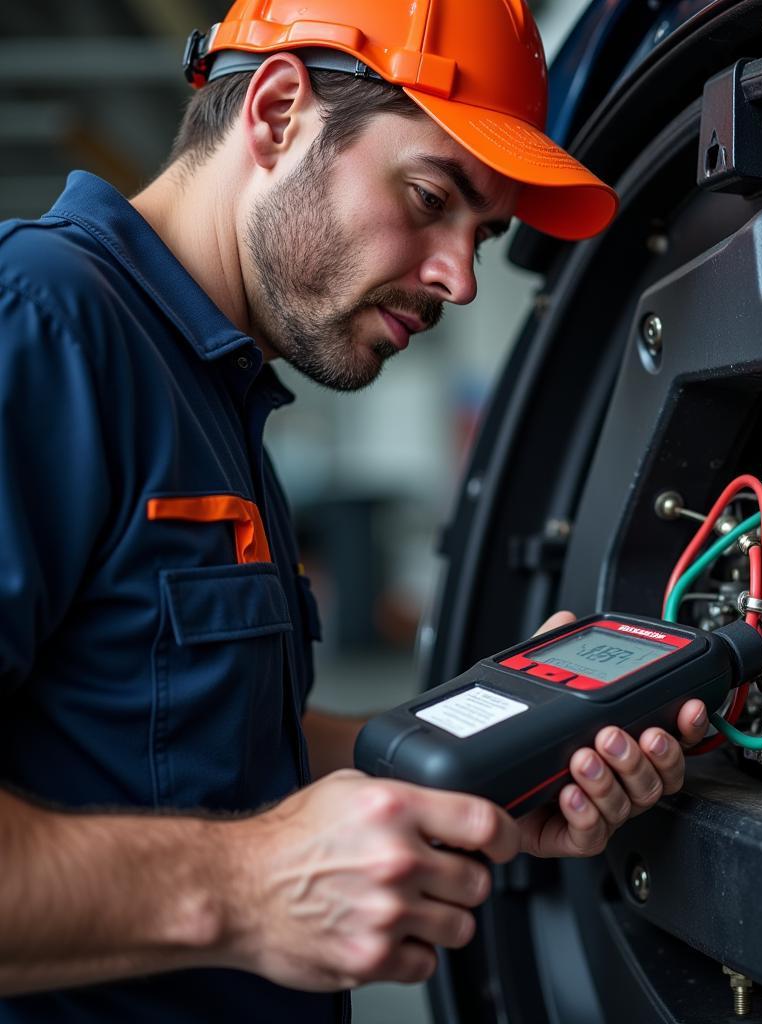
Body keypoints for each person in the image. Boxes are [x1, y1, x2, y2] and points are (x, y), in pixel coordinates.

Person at [0, 1, 710, 1020]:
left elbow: (195, 745)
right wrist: (247, 889)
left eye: (483, 234)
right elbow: (241, 849)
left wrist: (492, 755)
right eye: (430, 198)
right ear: (280, 112)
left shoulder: (213, 390)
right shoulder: (41, 324)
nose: (459, 278)